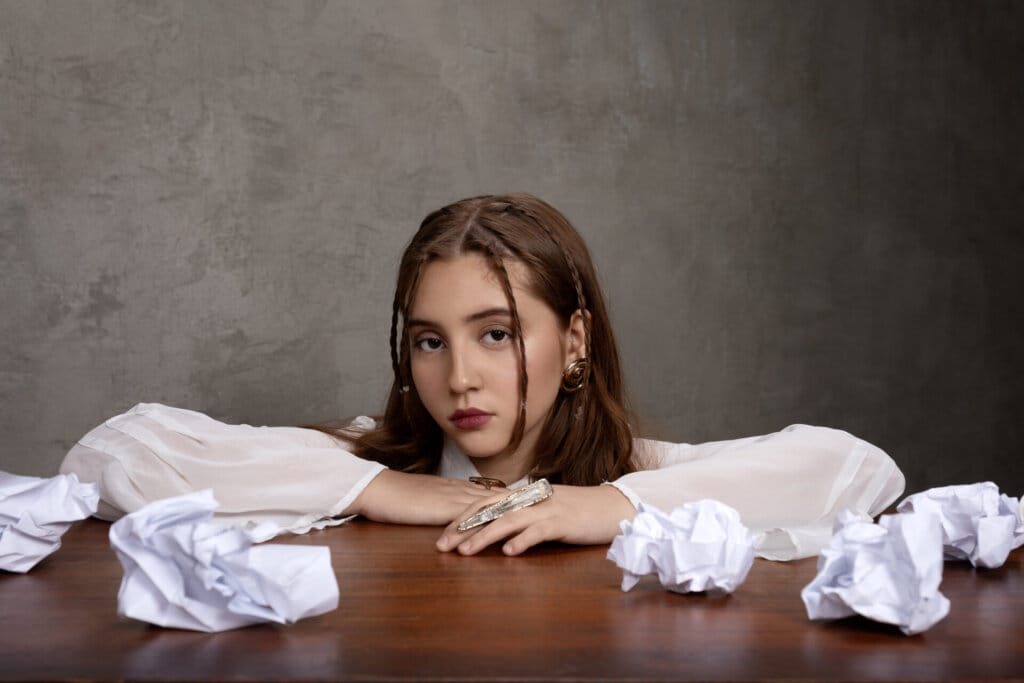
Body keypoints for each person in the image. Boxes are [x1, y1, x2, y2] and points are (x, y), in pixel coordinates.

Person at [60, 193, 905, 560]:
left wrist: (599, 505)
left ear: (575, 340)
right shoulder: (372, 462)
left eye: (496, 334)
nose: (459, 376)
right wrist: (377, 490)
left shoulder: (640, 475)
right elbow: (109, 454)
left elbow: (861, 468)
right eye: (429, 342)